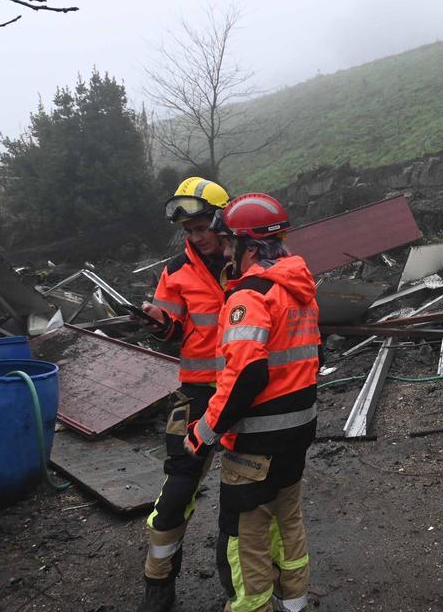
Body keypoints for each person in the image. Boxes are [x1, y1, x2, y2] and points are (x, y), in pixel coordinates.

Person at [183, 193, 320, 612]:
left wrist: (202, 433)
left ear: (250, 245)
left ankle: (252, 606)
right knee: (288, 517)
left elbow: (245, 375)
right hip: (299, 431)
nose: (226, 252)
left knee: (245, 535)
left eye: (229, 244)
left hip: (258, 441)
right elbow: (314, 358)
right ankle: (294, 603)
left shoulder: (249, 296)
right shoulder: (300, 289)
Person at [134, 177, 230, 612]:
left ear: (222, 219)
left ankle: (248, 587)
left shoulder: (250, 262)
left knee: (249, 496)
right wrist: (158, 324)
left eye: (203, 226)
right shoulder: (174, 273)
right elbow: (174, 332)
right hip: (198, 391)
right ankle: (159, 583)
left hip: (250, 391)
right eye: (189, 231)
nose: (197, 236)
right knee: (177, 491)